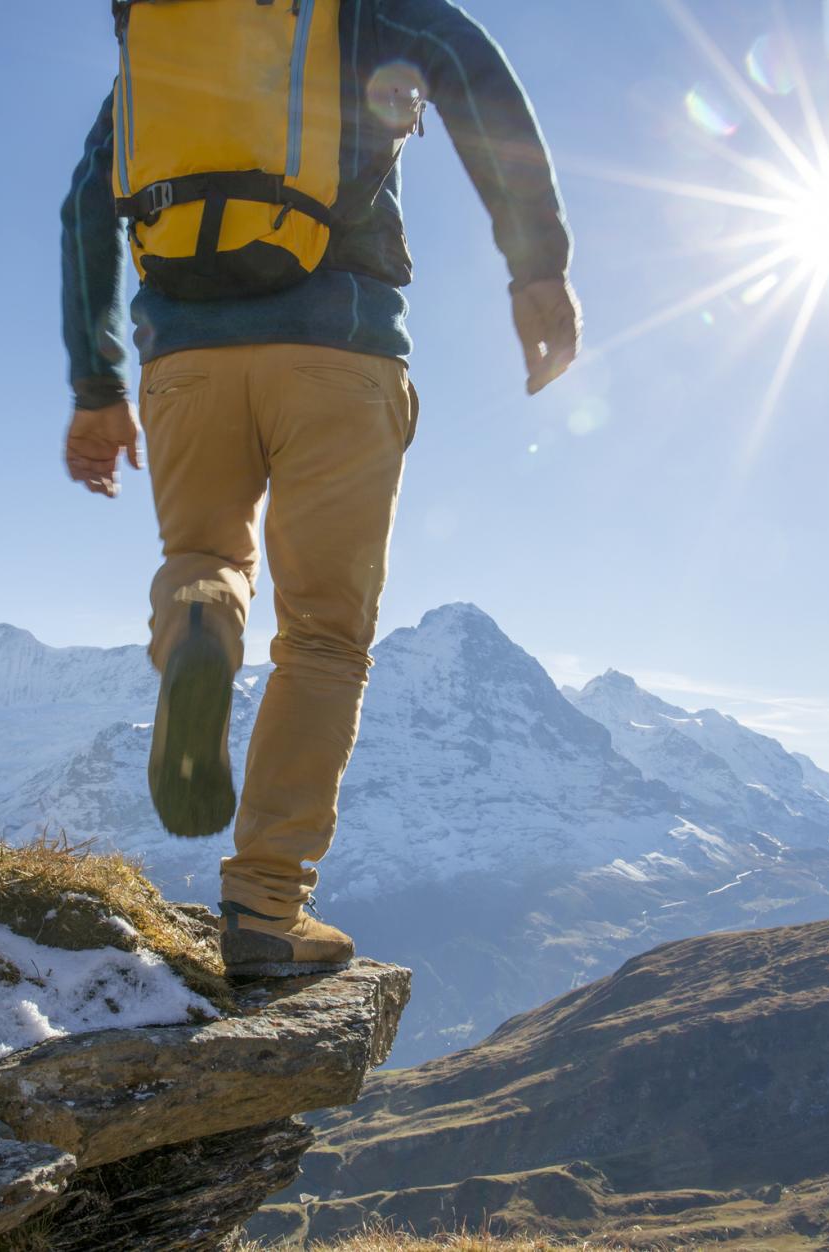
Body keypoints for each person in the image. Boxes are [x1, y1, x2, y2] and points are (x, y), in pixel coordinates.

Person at [59, 0, 580, 977]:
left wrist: (96, 389)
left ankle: (203, 621)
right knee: (323, 634)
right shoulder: (359, 10)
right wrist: (536, 266)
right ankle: (263, 906)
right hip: (341, 354)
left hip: (184, 366)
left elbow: (87, 204)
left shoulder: (160, 47)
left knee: (204, 558)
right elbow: (473, 74)